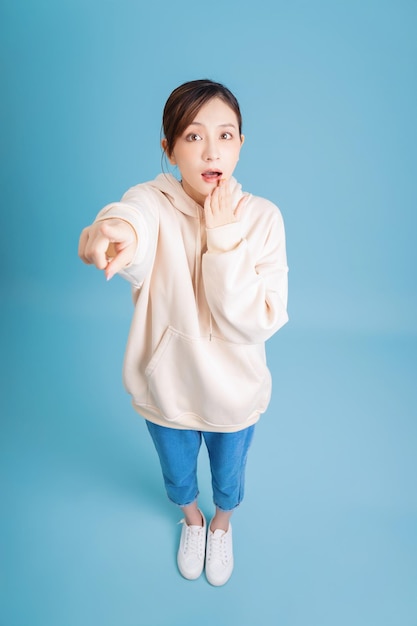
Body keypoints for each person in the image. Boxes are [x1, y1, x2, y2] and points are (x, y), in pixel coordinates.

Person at [78, 79, 289, 586]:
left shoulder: (261, 219)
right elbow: (133, 218)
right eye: (193, 137)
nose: (211, 150)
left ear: (241, 144)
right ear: (168, 147)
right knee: (177, 475)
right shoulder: (153, 201)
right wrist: (116, 232)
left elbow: (256, 319)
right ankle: (193, 521)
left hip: (233, 395)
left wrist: (221, 239)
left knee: (229, 478)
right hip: (166, 388)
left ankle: (221, 524)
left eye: (226, 135)